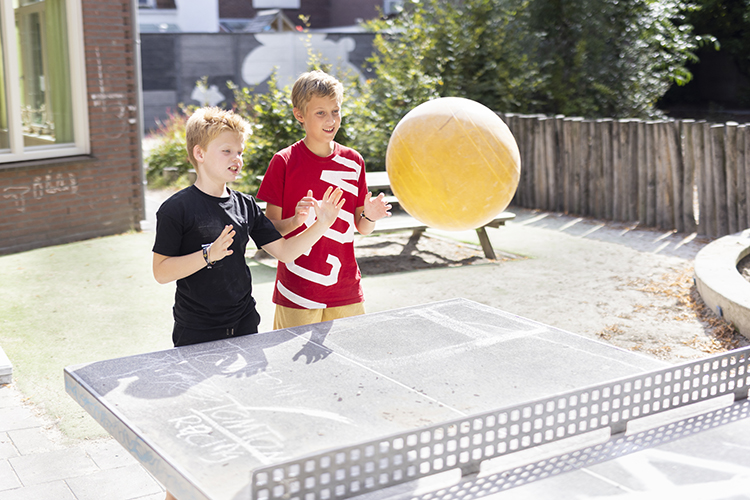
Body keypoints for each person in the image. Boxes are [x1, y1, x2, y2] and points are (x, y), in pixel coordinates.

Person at [257, 70, 391, 330]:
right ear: (300, 115)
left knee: (351, 364)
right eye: (320, 113)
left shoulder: (354, 161)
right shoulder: (283, 161)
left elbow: (362, 227)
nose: (331, 120)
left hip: (346, 290)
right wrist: (296, 220)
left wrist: (371, 217)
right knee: (290, 368)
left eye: (336, 111)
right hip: (296, 292)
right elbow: (268, 231)